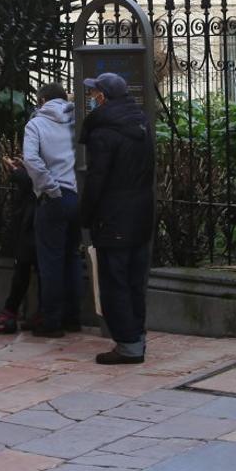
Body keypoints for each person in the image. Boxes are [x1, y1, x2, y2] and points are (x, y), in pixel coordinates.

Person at [80, 72, 155, 365]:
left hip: (114, 216)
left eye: (94, 93)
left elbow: (96, 179)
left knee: (115, 281)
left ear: (104, 97)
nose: (91, 98)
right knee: (135, 280)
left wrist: (85, 216)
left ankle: (128, 344)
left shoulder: (104, 132)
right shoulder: (141, 123)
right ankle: (137, 335)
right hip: (140, 212)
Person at [23, 82, 80, 338]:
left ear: (42, 100)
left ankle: (52, 321)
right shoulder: (76, 120)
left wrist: (50, 188)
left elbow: (32, 160)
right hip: (77, 197)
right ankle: (73, 317)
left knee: (51, 262)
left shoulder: (36, 124)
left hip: (53, 198)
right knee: (72, 258)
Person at [0, 156, 40, 335]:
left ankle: (12, 313)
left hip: (34, 213)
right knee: (26, 264)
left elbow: (35, 180)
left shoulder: (42, 132)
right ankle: (23, 312)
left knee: (25, 263)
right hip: (35, 211)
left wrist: (17, 172)